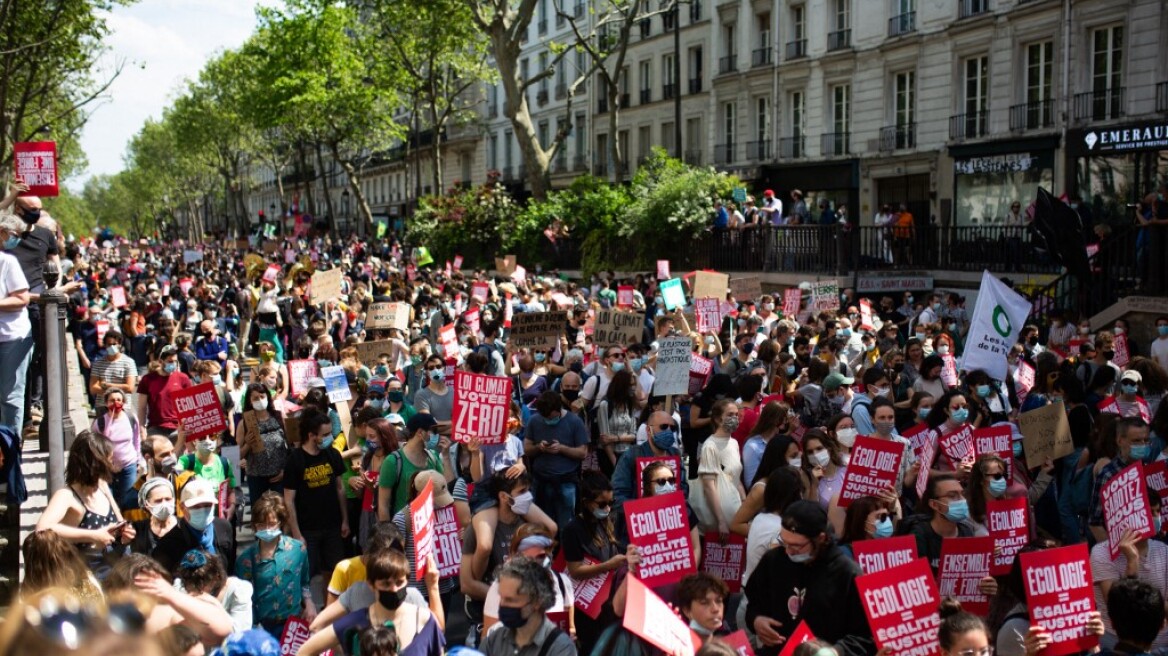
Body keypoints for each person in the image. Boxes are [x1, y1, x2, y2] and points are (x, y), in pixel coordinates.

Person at [744, 500, 873, 656]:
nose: (789, 552)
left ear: (821, 538)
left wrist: (834, 652)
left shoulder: (847, 573)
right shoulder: (774, 560)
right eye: (785, 543)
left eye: (797, 546)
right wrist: (756, 620)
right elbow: (754, 604)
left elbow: (864, 637)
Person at [296, 548, 444, 656]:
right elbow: (305, 651)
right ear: (371, 585)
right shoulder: (356, 622)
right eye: (386, 584)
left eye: (399, 582)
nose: (394, 589)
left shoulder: (425, 620)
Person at [36, 430, 134, 580]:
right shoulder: (66, 495)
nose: (112, 464)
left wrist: (125, 533)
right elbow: (42, 529)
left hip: (116, 566)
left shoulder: (102, 485)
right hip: (86, 576)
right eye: (109, 459)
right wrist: (93, 535)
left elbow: (119, 521)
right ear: (95, 463)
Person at [236, 491, 314, 637]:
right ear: (254, 526)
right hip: (262, 627)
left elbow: (304, 582)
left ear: (281, 522)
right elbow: (243, 599)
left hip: (293, 625)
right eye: (261, 525)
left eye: (271, 524)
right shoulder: (246, 560)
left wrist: (309, 603)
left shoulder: (298, 550)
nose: (267, 529)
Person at [284, 408, 350, 578]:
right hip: (307, 529)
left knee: (333, 573)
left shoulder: (333, 455)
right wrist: (296, 533)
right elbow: (289, 500)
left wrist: (345, 520)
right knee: (307, 575)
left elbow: (339, 488)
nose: (331, 438)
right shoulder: (295, 460)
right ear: (312, 435)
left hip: (333, 527)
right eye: (326, 434)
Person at [482, 524, 575, 638]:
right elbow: (487, 638)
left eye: (540, 557)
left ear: (549, 554)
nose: (535, 563)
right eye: (529, 558)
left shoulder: (562, 583)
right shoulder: (500, 587)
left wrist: (570, 637)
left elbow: (570, 628)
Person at [478, 556, 577, 656]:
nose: (503, 605)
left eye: (511, 600)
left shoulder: (560, 647)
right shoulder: (494, 638)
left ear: (536, 602)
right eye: (501, 598)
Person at [523, 390, 588, 533]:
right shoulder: (534, 421)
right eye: (544, 417)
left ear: (559, 410)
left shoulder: (574, 422)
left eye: (551, 417)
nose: (548, 420)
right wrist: (539, 448)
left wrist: (562, 449)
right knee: (542, 527)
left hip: (566, 482)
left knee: (567, 526)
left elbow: (583, 452)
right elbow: (527, 448)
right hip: (541, 482)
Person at [152, 477, 236, 576]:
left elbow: (231, 565)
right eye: (196, 507)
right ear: (182, 507)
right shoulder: (168, 544)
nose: (203, 510)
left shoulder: (224, 527)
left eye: (207, 505)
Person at [1089, 418, 1152, 542]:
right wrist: (1115, 554)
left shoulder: (1149, 469)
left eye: (1146, 440)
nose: (1143, 445)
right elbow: (1095, 522)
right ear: (1120, 441)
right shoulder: (1109, 475)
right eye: (1136, 441)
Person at [691, 399, 747, 539]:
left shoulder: (733, 443)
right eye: (729, 415)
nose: (734, 418)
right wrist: (721, 521)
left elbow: (735, 477)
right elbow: (709, 486)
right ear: (717, 419)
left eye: (736, 415)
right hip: (717, 522)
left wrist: (745, 504)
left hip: (734, 516)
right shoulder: (710, 446)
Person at [612, 409, 688, 504]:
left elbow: (683, 490)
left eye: (672, 428)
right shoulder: (631, 455)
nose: (669, 431)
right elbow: (618, 494)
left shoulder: (675, 454)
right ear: (648, 430)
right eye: (663, 427)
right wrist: (644, 508)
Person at [378, 413, 444, 521]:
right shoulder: (393, 461)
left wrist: (445, 456)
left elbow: (445, 488)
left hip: (430, 526)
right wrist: (389, 535)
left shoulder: (434, 457)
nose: (436, 435)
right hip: (404, 529)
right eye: (433, 431)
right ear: (420, 433)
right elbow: (383, 505)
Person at [0, 213, 31, 435]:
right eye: (15, 235)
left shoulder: (7, 262)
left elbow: (22, 298)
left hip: (12, 338)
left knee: (9, 396)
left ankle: (10, 453)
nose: (17, 240)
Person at [236, 382, 289, 506]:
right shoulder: (244, 424)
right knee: (259, 514)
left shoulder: (279, 417)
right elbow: (236, 456)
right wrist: (247, 445)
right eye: (255, 398)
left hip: (279, 476)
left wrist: (285, 470)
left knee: (281, 511)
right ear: (249, 401)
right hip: (256, 478)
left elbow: (292, 445)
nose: (260, 400)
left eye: (262, 396)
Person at [90, 387, 142, 510]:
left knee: (128, 499)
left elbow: (136, 440)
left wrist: (138, 460)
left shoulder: (131, 418)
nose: (116, 403)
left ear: (123, 402)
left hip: (128, 465)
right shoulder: (100, 423)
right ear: (106, 403)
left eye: (119, 400)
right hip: (107, 468)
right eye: (112, 400)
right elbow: (94, 445)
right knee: (107, 500)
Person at [138, 345, 193, 438]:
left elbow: (190, 406)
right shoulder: (147, 380)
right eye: (170, 362)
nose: (173, 364)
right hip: (155, 428)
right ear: (160, 361)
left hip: (178, 428)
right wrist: (141, 428)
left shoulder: (183, 378)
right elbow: (142, 407)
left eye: (175, 361)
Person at [88, 329, 138, 419]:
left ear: (120, 345)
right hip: (102, 407)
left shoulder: (129, 362)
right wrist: (118, 390)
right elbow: (93, 388)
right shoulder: (98, 363)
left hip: (123, 407)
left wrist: (107, 385)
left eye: (114, 344)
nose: (111, 347)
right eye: (109, 344)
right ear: (105, 345)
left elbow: (130, 388)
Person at [129, 477, 179, 556]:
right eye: (158, 501)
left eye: (168, 499)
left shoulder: (184, 527)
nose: (164, 504)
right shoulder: (138, 530)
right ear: (147, 504)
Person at [677, 572, 731, 644]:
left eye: (719, 601)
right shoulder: (676, 649)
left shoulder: (730, 646)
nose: (715, 609)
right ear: (687, 611)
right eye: (704, 603)